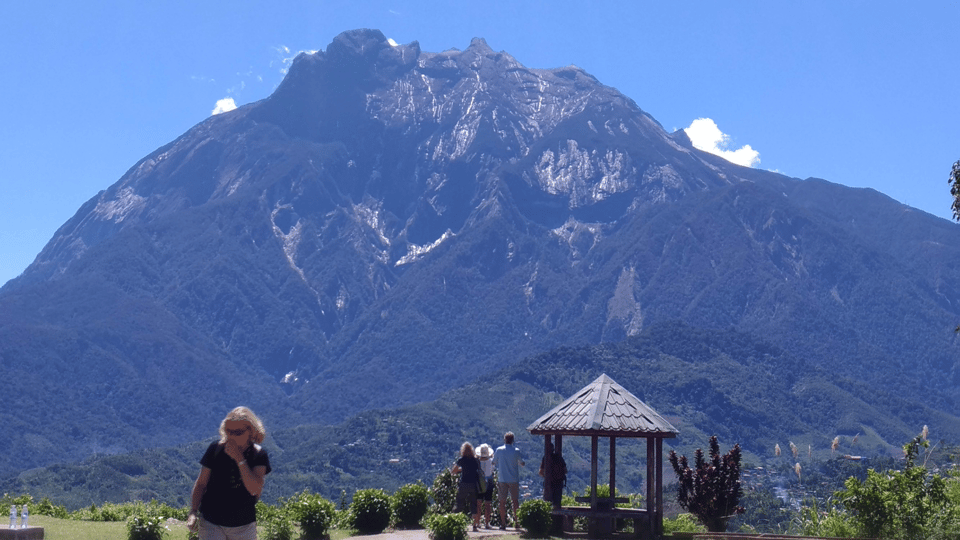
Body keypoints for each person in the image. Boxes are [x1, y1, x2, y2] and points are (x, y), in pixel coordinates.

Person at [186, 407, 272, 540]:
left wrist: (239, 459)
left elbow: (254, 490)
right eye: (229, 431)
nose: (231, 436)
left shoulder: (258, 455)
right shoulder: (215, 449)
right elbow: (201, 483)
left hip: (243, 525)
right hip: (211, 521)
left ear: (251, 431)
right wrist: (193, 511)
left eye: (238, 432)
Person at [493, 431, 525, 530]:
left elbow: (494, 462)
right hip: (513, 479)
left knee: (502, 502)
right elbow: (522, 463)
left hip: (502, 479)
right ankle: (517, 523)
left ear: (504, 440)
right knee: (515, 502)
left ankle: (503, 523)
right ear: (513, 440)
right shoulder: (516, 451)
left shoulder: (499, 450)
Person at [451, 441, 482, 531]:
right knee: (473, 505)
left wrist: (461, 470)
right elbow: (478, 470)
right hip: (473, 484)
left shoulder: (461, 460)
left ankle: (455, 523)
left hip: (463, 484)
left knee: (459, 503)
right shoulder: (476, 460)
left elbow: (453, 471)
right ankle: (474, 525)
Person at [539, 439, 567, 508]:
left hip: (549, 484)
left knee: (548, 504)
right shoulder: (559, 458)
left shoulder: (545, 458)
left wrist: (545, 477)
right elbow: (565, 470)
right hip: (559, 483)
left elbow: (541, 472)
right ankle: (558, 518)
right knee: (557, 504)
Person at [476, 443, 495, 528]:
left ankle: (477, 522)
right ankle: (487, 523)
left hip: (479, 482)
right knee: (488, 503)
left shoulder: (477, 462)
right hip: (489, 481)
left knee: (478, 502)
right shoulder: (491, 461)